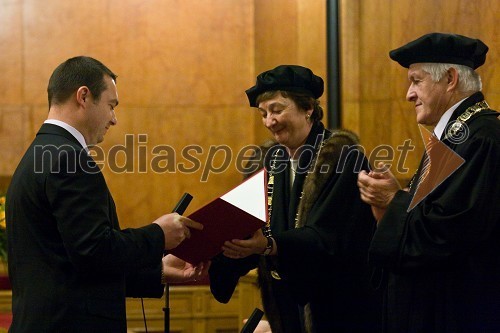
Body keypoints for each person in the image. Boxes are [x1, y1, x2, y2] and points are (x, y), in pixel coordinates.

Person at [5, 56, 209, 333]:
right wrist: (158, 235)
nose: (114, 119)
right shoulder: (68, 157)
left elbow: (72, 264)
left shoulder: (41, 152)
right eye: (111, 105)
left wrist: (158, 273)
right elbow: (95, 251)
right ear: (84, 96)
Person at [209, 65, 382, 333]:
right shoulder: (266, 161)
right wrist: (213, 253)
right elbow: (247, 226)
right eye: (263, 113)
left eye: (277, 110)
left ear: (308, 108)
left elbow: (332, 236)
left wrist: (270, 245)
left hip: (338, 303)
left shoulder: (342, 157)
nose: (269, 121)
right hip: (283, 302)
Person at [357, 33, 500, 332]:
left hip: (458, 312)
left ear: (449, 78)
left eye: (416, 80)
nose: (409, 94)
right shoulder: (456, 133)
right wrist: (393, 203)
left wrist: (393, 200)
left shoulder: (481, 137)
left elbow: (449, 232)